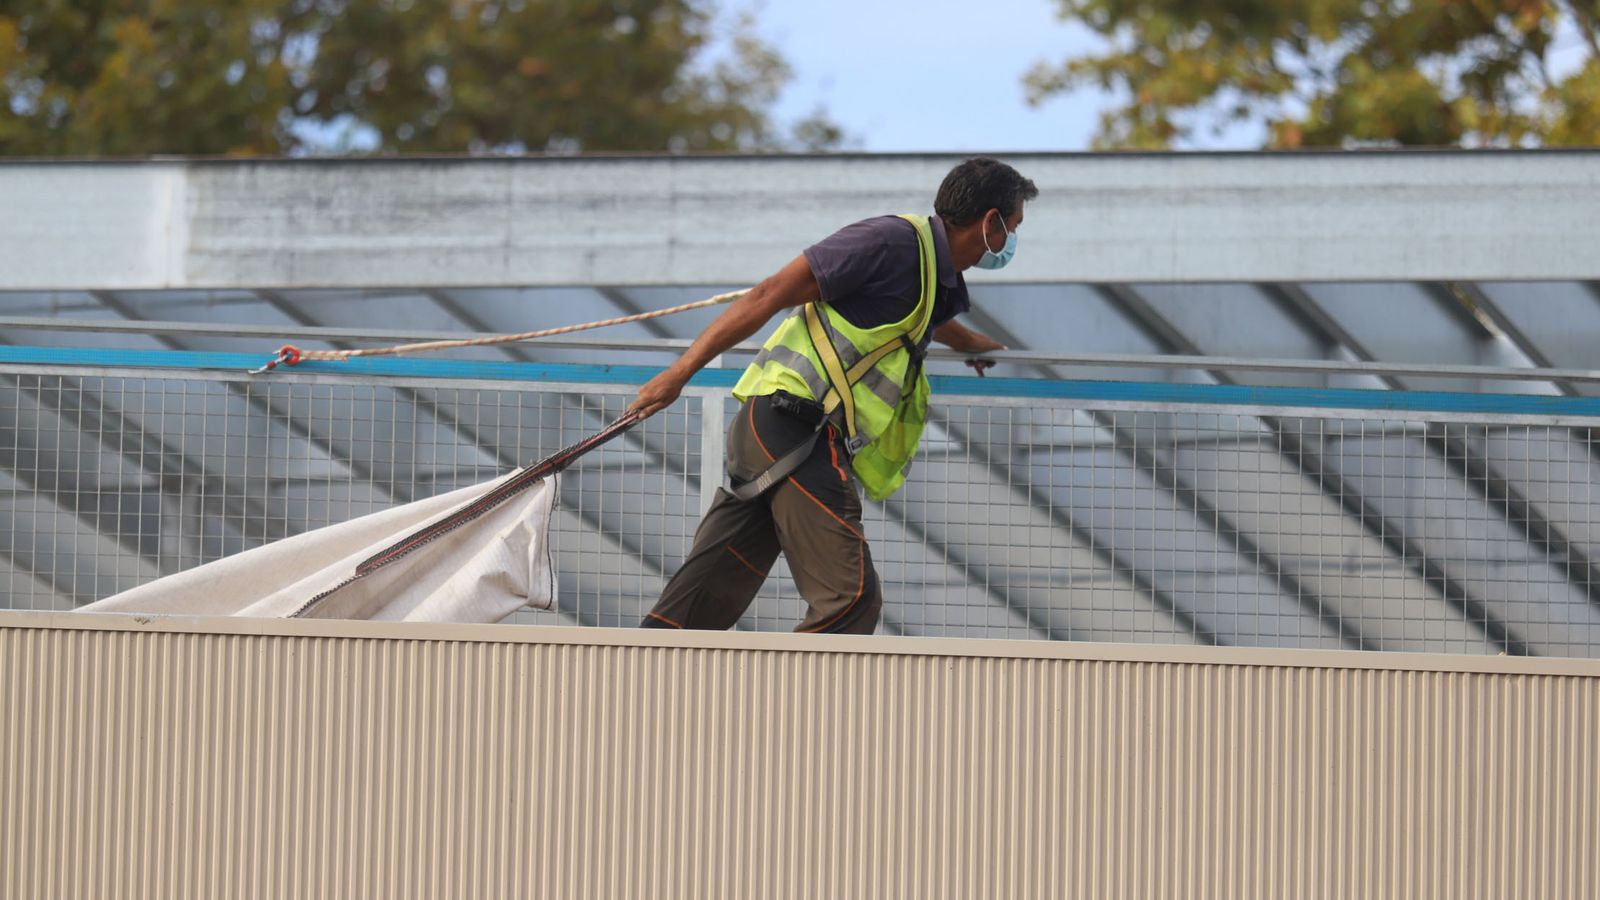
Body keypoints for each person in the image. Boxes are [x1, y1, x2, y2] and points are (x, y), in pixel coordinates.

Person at [628, 157, 1037, 634]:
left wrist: (972, 344)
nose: (1010, 242)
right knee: (850, 600)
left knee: (695, 609)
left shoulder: (927, 272)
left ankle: (634, 690)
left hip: (781, 433)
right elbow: (769, 293)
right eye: (1012, 227)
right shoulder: (889, 242)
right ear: (990, 222)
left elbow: (911, 319)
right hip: (791, 426)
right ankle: (783, 708)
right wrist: (678, 374)